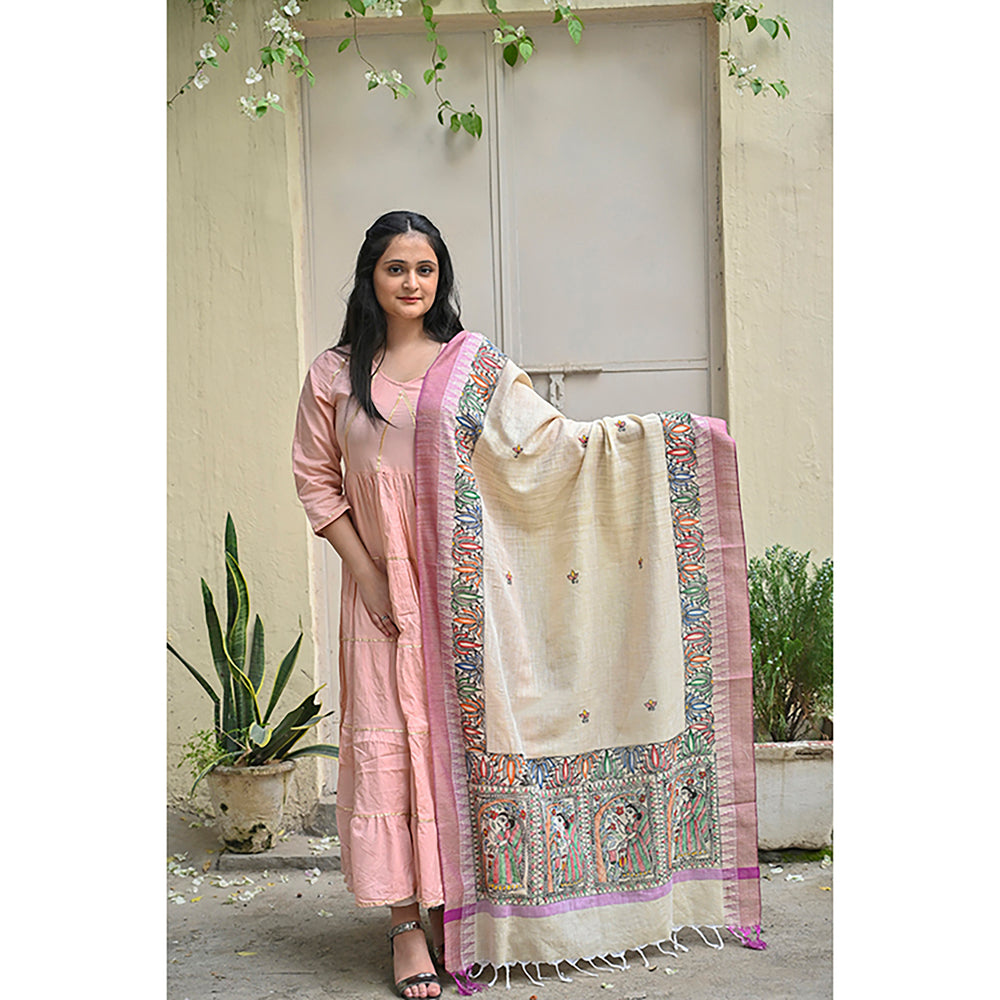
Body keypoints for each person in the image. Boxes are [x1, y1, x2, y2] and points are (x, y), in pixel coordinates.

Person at [292, 211, 463, 999]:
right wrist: (365, 576)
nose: (412, 283)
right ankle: (404, 924)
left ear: (440, 278)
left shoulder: (465, 366)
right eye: (397, 268)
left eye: (424, 269)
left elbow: (528, 452)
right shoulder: (334, 373)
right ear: (371, 276)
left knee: (456, 749)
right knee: (389, 747)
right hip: (378, 596)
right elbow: (316, 481)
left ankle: (455, 913)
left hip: (459, 593)